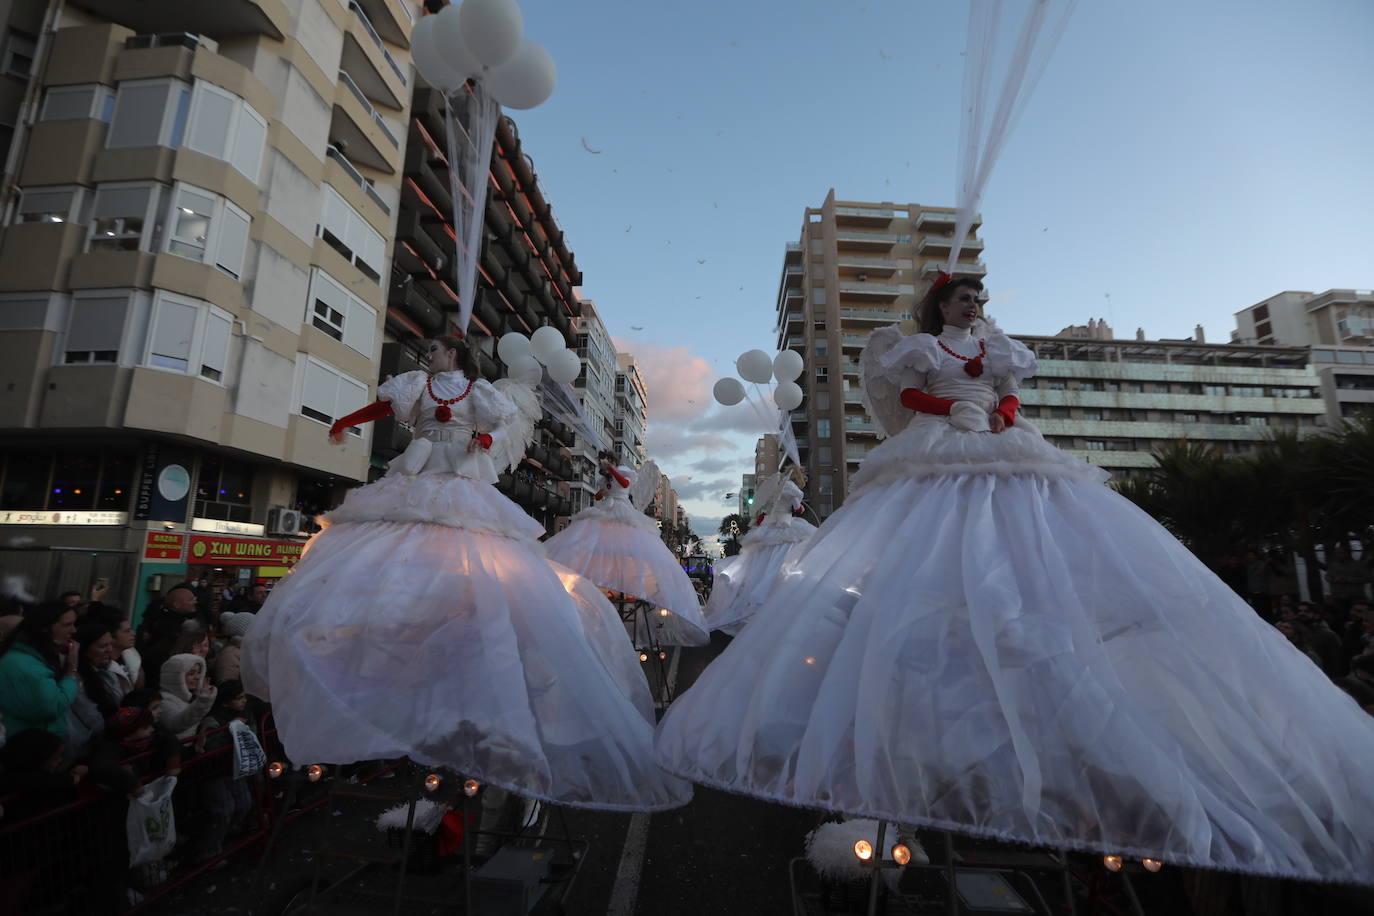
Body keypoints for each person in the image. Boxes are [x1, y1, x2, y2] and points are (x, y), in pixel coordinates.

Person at [655, 275, 1374, 886]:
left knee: (1015, 534)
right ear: (940, 307)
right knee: (938, 541)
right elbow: (909, 399)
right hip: (940, 448)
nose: (972, 307)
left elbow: (1008, 398)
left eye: (977, 298)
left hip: (997, 446)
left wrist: (995, 410)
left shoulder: (997, 348)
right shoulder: (920, 349)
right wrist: (949, 407)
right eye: (962, 299)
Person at [241, 336, 689, 812]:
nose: (427, 354)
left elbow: (504, 421)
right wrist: (345, 422)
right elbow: (382, 406)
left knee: (475, 551)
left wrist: (486, 439)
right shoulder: (417, 385)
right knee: (399, 548)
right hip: (416, 475)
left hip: (460, 477)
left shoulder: (477, 392)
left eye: (434, 349)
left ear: (452, 354)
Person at [544, 454, 709, 647]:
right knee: (600, 544)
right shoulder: (607, 478)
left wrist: (611, 471)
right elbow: (599, 495)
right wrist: (605, 485)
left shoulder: (624, 474)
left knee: (625, 546)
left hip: (623, 510)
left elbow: (623, 484)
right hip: (607, 509)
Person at [703, 466, 817, 635]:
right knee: (785, 557)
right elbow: (798, 508)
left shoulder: (776, 487)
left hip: (770, 526)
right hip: (785, 524)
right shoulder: (792, 488)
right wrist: (798, 507)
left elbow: (766, 508)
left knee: (762, 562)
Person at [0, 602, 79, 738]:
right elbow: (51, 707)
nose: (74, 630)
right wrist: (71, 671)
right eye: (67, 625)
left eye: (74, 624)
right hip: (26, 746)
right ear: (45, 628)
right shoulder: (23, 664)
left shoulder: (37, 656)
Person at [64, 621, 121, 759]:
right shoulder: (74, 678)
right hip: (82, 751)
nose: (109, 650)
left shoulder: (108, 673)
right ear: (85, 649)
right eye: (102, 646)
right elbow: (93, 718)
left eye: (110, 644)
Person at [137, 586, 201, 690]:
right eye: (190, 599)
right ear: (176, 605)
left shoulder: (177, 621)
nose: (195, 602)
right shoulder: (168, 626)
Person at [158, 653, 216, 740]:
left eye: (199, 672)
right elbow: (175, 725)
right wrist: (203, 701)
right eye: (191, 673)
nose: (197, 677)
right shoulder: (164, 700)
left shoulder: (192, 695)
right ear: (176, 677)